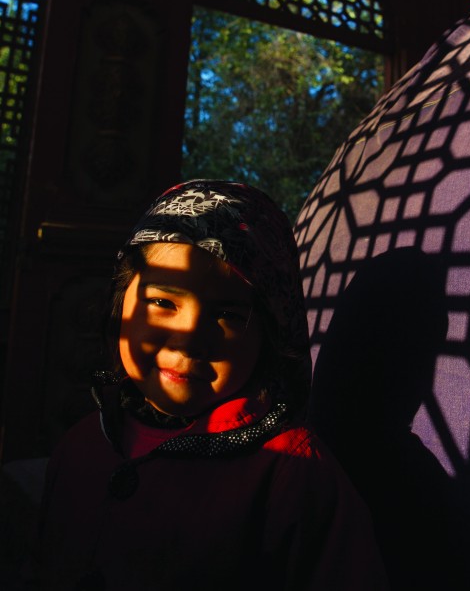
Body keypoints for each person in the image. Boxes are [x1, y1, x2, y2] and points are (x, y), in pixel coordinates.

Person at [36, 180, 388, 589]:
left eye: (228, 316)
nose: (189, 338)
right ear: (121, 302)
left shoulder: (293, 476)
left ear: (269, 338)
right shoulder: (81, 445)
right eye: (163, 302)